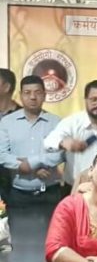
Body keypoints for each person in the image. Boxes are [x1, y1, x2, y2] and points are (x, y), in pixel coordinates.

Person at [0, 75, 63, 208]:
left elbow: (61, 154)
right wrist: (22, 166)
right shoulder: (7, 122)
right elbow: (2, 154)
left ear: (44, 95)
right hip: (18, 195)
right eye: (27, 93)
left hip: (50, 193)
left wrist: (31, 164)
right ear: (20, 95)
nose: (33, 97)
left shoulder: (56, 122)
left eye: (37, 92)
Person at [44, 80, 97, 189]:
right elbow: (48, 141)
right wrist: (63, 143)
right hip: (73, 188)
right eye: (94, 99)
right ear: (85, 100)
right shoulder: (72, 122)